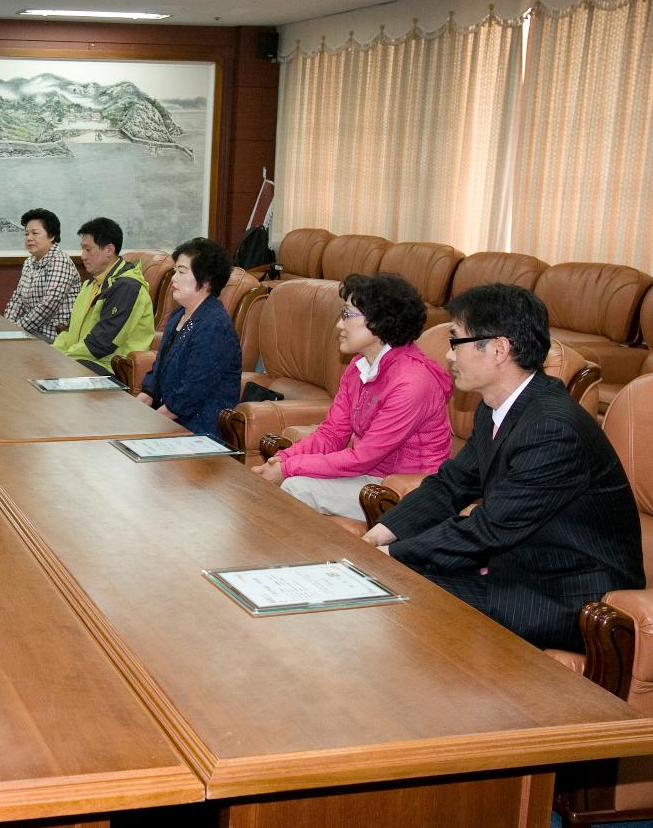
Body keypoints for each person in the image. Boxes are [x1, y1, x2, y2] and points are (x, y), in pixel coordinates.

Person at [363, 283, 643, 651]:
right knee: (391, 579)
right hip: (522, 568)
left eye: (455, 341)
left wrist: (389, 557)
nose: (448, 355)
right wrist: (376, 538)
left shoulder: (552, 428)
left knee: (397, 586)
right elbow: (450, 485)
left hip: (569, 596)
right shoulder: (495, 408)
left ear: (498, 349)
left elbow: (489, 527)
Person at [252, 273, 452, 520]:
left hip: (406, 490)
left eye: (347, 315)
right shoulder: (358, 367)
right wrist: (282, 458)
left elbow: (362, 458)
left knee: (295, 487)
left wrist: (288, 469)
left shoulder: (413, 382)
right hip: (369, 477)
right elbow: (332, 434)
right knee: (290, 479)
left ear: (379, 322)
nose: (339, 325)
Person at [135, 237, 240, 438]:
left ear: (206, 281)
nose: (173, 278)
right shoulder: (179, 314)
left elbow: (192, 392)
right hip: (170, 418)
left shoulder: (214, 326)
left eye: (181, 272)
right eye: (175, 271)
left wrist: (150, 423)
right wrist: (140, 402)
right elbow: (159, 368)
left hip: (198, 428)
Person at [52, 217, 154, 375]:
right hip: (83, 359)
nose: (83, 256)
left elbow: (102, 344)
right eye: (83, 249)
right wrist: (51, 354)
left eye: (88, 249)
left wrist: (63, 360)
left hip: (111, 368)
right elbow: (69, 331)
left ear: (109, 250)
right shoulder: (90, 284)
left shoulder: (126, 287)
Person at [4, 208, 81, 340]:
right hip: (31, 331)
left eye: (35, 233)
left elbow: (48, 305)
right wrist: (7, 326)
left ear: (51, 236)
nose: (29, 238)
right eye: (26, 234)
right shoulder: (29, 262)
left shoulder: (59, 261)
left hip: (52, 336)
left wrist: (16, 329)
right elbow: (17, 299)